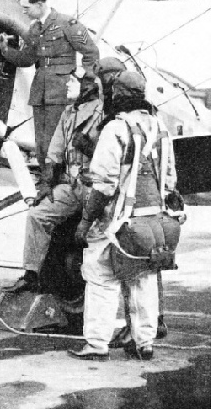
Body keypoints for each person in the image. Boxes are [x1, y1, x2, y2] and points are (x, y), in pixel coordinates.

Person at [69, 71, 178, 361]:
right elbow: (169, 181)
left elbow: (104, 183)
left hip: (117, 222)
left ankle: (96, 345)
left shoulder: (116, 128)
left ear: (117, 95)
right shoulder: (160, 128)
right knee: (143, 278)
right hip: (153, 222)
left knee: (101, 278)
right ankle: (144, 343)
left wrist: (85, 222)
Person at [4, 71, 103, 293]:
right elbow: (55, 152)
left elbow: (115, 156)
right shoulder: (69, 113)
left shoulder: (103, 112)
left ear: (89, 86)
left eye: (73, 80)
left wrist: (90, 148)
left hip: (96, 187)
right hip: (70, 185)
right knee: (37, 215)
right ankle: (31, 275)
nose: (67, 84)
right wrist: (47, 183)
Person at [0, 0, 99, 167]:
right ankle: (46, 182)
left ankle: (57, 183)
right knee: (41, 144)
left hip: (60, 91)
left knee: (55, 142)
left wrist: (87, 83)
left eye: (26, 7)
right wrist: (5, 50)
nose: (23, 12)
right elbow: (27, 59)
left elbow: (91, 53)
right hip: (40, 92)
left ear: (40, 4)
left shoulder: (68, 24)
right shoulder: (35, 29)